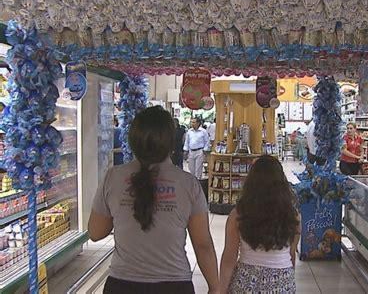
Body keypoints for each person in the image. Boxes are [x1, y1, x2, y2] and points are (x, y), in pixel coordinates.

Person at [88, 107, 219, 294]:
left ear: (132, 140)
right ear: (170, 143)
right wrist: (215, 287)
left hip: (122, 284)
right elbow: (203, 244)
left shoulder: (113, 178)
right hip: (174, 285)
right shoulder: (188, 183)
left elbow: (96, 232)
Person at [220, 155, 300, 293]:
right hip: (282, 279)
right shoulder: (293, 214)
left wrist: (220, 290)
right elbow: (291, 254)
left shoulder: (238, 214)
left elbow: (229, 258)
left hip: (246, 279)